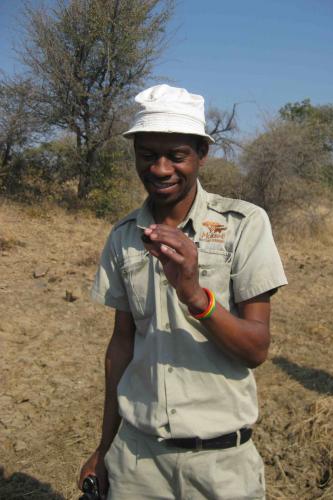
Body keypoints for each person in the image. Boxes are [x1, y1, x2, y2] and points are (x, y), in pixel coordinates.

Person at [79, 84, 287, 500]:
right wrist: (105, 449)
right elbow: (121, 345)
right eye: (147, 154)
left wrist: (195, 295)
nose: (160, 169)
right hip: (138, 462)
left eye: (176, 156)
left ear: (201, 156)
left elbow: (256, 349)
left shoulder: (243, 225)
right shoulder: (123, 237)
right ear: (135, 153)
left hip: (221, 465)